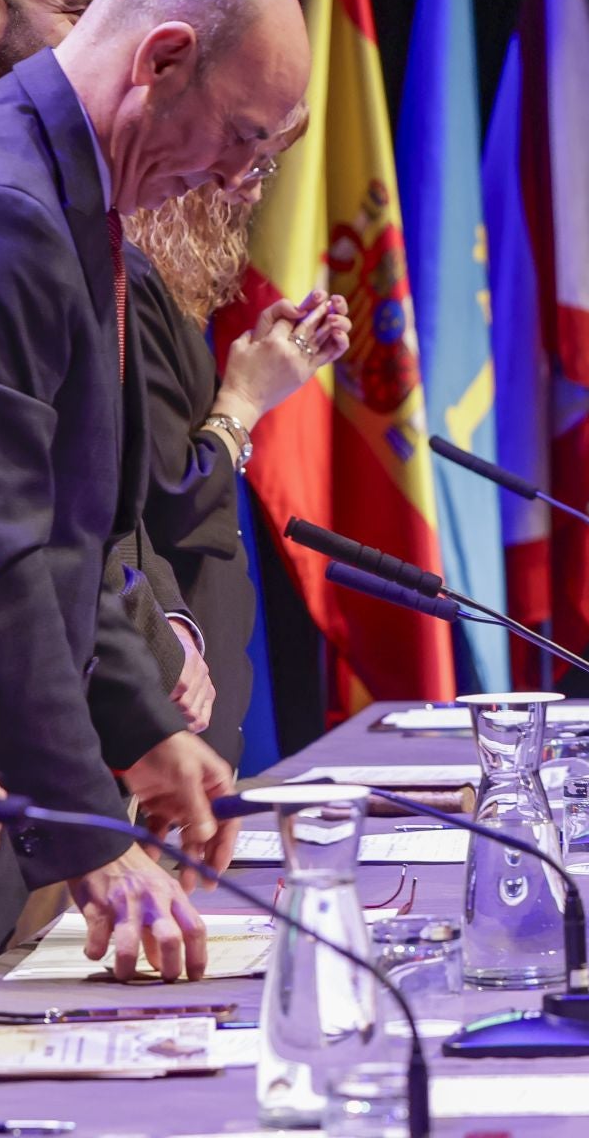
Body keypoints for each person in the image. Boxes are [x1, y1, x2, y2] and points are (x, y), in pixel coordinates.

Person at [0, 0, 308, 987]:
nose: (242, 177)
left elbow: (71, 528)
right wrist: (91, 830)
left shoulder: (57, 184)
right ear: (161, 58)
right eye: (243, 136)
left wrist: (145, 729)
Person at [122, 127, 351, 767]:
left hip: (191, 701)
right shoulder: (127, 286)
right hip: (161, 698)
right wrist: (245, 399)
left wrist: (258, 377)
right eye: (249, 150)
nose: (255, 183)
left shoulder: (159, 290)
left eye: (270, 160)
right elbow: (171, 498)